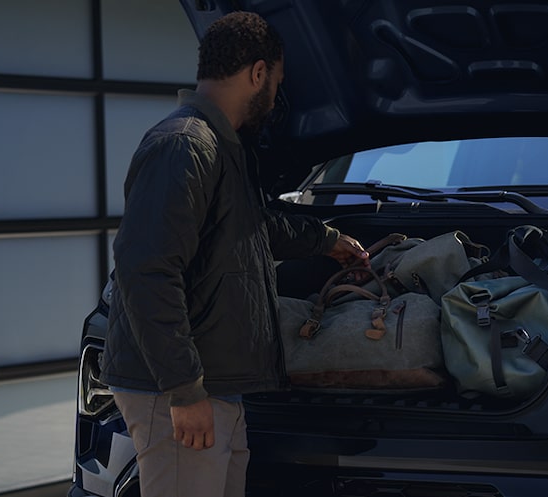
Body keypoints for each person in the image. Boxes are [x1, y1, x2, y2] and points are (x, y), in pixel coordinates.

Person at [99, 11, 369, 497]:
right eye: (278, 81)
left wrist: (326, 240)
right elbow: (146, 272)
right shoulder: (185, 145)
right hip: (178, 390)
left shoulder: (223, 147)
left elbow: (254, 228)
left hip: (214, 385)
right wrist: (185, 391)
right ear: (258, 73)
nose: (277, 96)